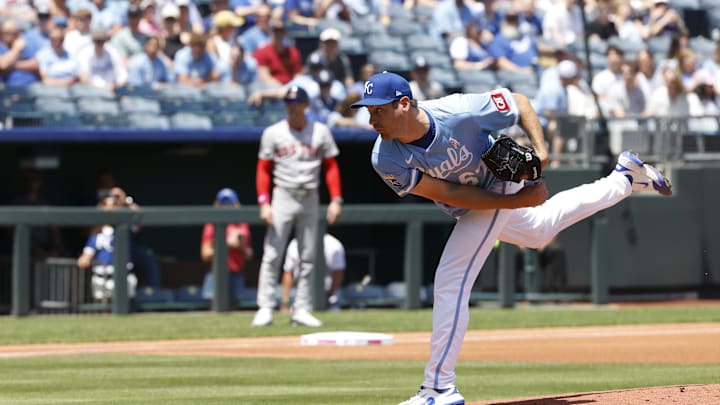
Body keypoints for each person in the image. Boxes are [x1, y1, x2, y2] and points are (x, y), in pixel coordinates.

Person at [349, 71, 672, 405]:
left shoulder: (458, 111)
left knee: (450, 279)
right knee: (539, 229)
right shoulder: (384, 157)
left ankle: (439, 387)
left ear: (403, 104)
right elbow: (450, 193)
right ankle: (623, 179)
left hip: (500, 179)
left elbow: (518, 103)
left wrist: (542, 152)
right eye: (369, 111)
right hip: (478, 199)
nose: (371, 118)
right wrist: (516, 203)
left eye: (378, 110)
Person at [252, 85, 344, 328]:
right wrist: (264, 202)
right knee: (273, 253)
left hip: (310, 195)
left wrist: (336, 199)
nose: (293, 108)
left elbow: (331, 166)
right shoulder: (273, 132)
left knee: (308, 256)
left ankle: (302, 308)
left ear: (305, 105)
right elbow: (263, 168)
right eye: (289, 104)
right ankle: (265, 307)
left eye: (297, 103)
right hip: (282, 193)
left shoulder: (320, 131)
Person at [76, 193, 138, 302]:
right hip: (102, 277)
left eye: (114, 205)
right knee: (103, 310)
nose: (110, 209)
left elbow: (139, 217)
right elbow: (88, 253)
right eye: (106, 205)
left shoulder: (126, 227)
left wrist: (125, 199)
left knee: (125, 310)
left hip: (124, 276)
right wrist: (84, 258)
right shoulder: (96, 233)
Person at [200, 188, 254, 302]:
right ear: (217, 204)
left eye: (230, 203)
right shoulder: (211, 224)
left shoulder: (242, 224)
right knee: (212, 308)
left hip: (236, 273)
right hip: (215, 273)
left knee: (235, 310)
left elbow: (249, 255)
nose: (227, 206)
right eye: (223, 203)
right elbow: (205, 255)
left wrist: (241, 246)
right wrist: (225, 244)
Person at [280, 233, 345, 312]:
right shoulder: (295, 244)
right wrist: (285, 302)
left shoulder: (333, 244)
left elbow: (338, 274)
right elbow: (288, 272)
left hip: (329, 297)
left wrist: (329, 295)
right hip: (298, 296)